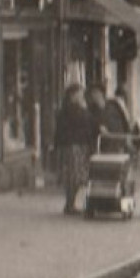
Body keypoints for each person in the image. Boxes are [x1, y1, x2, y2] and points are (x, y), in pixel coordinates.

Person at [53, 84, 97, 215]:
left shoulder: (68, 110)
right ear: (73, 95)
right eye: (79, 93)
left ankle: (70, 203)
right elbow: (88, 122)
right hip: (75, 146)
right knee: (75, 176)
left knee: (74, 176)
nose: (82, 96)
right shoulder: (73, 110)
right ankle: (70, 204)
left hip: (73, 145)